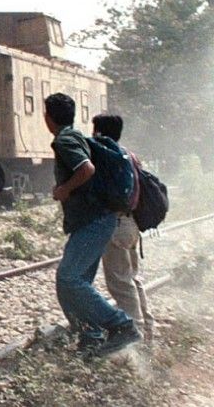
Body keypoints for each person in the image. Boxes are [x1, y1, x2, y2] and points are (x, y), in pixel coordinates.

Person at [45, 93, 140, 355]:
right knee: (73, 285)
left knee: (69, 278)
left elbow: (86, 169)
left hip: (94, 221)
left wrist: (64, 189)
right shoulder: (73, 136)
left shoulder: (65, 139)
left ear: (48, 117)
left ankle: (121, 325)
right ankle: (91, 336)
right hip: (94, 220)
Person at [94, 113, 155, 343]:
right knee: (133, 278)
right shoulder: (129, 155)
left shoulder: (107, 156)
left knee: (120, 283)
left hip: (116, 224)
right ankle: (147, 327)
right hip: (131, 224)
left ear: (99, 132)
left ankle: (135, 335)